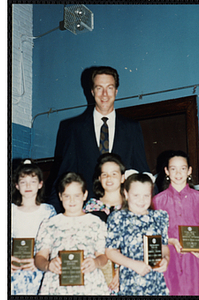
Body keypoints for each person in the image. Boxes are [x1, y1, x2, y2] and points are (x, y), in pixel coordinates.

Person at [49, 66, 150, 213]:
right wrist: (53, 215)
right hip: (84, 213)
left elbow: (142, 170)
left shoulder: (131, 128)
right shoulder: (73, 128)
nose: (104, 94)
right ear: (92, 91)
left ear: (116, 91)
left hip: (124, 211)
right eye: (99, 88)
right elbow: (64, 175)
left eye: (109, 88)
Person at [152, 150, 199, 295]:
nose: (178, 173)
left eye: (182, 168)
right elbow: (152, 236)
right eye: (173, 169)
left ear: (189, 170)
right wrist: (169, 241)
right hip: (169, 261)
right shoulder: (157, 201)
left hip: (195, 262)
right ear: (166, 171)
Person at [34, 172, 110, 295]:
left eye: (76, 195)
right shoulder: (50, 223)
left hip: (90, 284)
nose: (72, 200)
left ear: (85, 195)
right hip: (56, 285)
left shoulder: (95, 222)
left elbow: (103, 256)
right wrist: (48, 265)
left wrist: (96, 262)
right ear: (60, 196)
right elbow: (39, 258)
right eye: (67, 196)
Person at [105, 172, 170, 296]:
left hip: (156, 282)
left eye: (146, 195)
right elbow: (110, 251)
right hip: (130, 281)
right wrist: (134, 265)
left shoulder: (159, 217)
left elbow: (164, 247)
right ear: (126, 194)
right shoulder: (118, 217)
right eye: (136, 195)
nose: (142, 200)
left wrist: (166, 259)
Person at [11, 159, 56, 295]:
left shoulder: (48, 211)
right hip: (14, 269)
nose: (28, 186)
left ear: (40, 184)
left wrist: (40, 260)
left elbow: (54, 240)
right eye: (23, 182)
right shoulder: (11, 210)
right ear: (17, 185)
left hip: (38, 268)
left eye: (33, 181)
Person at [83, 153, 125, 293]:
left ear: (123, 177)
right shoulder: (90, 207)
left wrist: (122, 271)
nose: (109, 178)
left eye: (114, 174)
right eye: (105, 174)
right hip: (97, 270)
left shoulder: (131, 206)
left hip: (127, 268)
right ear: (99, 178)